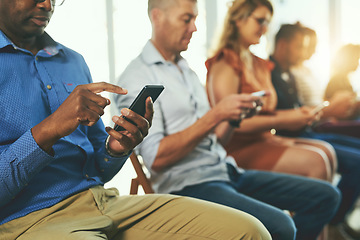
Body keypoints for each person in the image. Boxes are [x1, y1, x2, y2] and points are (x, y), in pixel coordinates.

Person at [0, 0, 275, 239]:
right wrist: (50, 129)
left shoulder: (72, 61)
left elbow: (98, 166)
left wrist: (117, 148)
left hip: (100, 201)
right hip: (28, 218)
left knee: (251, 232)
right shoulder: (140, 71)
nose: (47, 5)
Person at [115, 0, 341, 239]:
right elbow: (156, 158)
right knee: (282, 226)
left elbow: (216, 141)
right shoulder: (137, 77)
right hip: (188, 185)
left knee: (327, 197)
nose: (194, 28)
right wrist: (216, 114)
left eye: (195, 19)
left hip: (225, 170)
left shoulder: (186, 71)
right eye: (186, 19)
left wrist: (233, 118)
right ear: (157, 17)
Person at [205, 0, 337, 183]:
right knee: (317, 161)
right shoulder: (225, 63)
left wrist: (297, 114)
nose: (264, 29)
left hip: (264, 139)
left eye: (267, 23)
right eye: (260, 21)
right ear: (238, 19)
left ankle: (303, 209)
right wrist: (287, 119)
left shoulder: (258, 63)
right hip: (237, 148)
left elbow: (268, 112)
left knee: (327, 151)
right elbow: (231, 122)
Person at [270, 22, 360, 236]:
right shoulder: (271, 73)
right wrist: (329, 109)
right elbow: (288, 117)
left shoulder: (289, 74)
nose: (303, 53)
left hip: (308, 130)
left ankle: (335, 219)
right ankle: (334, 220)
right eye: (299, 47)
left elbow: (300, 112)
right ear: (283, 45)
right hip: (299, 133)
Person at [291, 27, 360, 139]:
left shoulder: (309, 72)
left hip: (323, 119)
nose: (313, 51)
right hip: (319, 124)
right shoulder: (292, 74)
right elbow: (302, 109)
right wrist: (333, 106)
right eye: (307, 46)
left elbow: (322, 104)